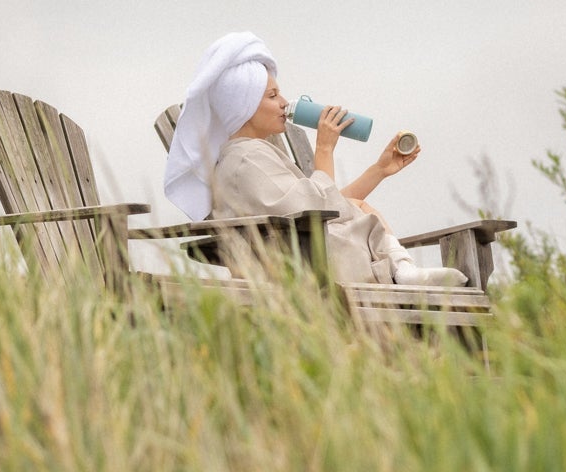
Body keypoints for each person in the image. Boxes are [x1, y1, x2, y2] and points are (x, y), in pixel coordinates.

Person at [162, 31, 465, 286]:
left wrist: (379, 170)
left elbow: (329, 205)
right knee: (356, 210)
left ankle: (403, 269)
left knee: (358, 206)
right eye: (272, 96)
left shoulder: (253, 153)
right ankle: (400, 271)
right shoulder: (245, 161)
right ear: (244, 107)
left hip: (307, 250)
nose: (284, 103)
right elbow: (314, 208)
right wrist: (324, 150)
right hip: (307, 271)